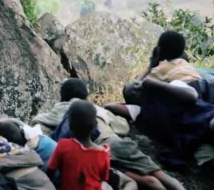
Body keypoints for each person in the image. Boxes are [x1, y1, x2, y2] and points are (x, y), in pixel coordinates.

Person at [34, 78, 185, 190]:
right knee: (159, 175)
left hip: (93, 153)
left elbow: (39, 120)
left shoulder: (63, 107)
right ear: (86, 95)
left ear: (63, 96)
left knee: (142, 180)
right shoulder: (97, 109)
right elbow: (123, 128)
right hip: (113, 143)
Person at [106, 78, 214, 171]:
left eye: (138, 85)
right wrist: (130, 98)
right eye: (133, 93)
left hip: (208, 118)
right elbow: (109, 106)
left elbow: (191, 97)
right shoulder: (141, 110)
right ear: (134, 102)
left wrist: (153, 83)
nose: (137, 89)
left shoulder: (173, 85)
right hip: (194, 139)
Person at [47, 100, 111, 190]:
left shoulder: (63, 146)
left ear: (70, 126)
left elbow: (50, 172)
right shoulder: (104, 154)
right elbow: (104, 178)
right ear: (95, 126)